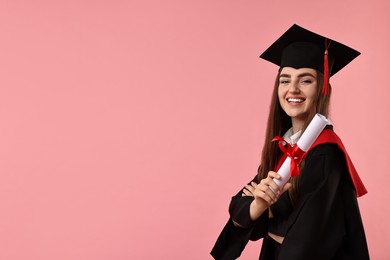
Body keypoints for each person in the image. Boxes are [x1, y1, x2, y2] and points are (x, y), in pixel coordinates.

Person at [210, 24, 369, 260]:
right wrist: (259, 206)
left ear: (323, 89)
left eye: (305, 80)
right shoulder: (285, 147)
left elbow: (309, 239)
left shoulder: (325, 153)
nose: (292, 89)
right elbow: (238, 205)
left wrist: (269, 216)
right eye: (285, 80)